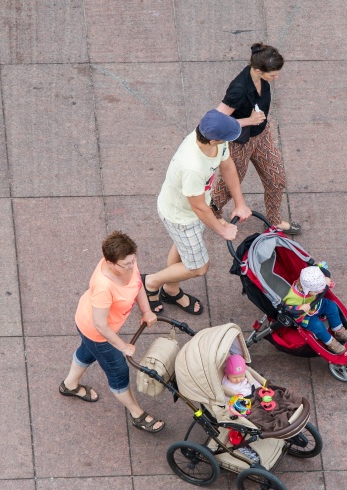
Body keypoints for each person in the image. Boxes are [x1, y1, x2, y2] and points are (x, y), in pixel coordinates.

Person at [142, 110, 252, 315]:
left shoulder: (215, 142)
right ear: (213, 139)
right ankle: (150, 282)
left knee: (182, 245)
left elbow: (227, 166)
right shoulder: (192, 166)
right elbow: (199, 207)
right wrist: (221, 229)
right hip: (181, 216)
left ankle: (170, 289)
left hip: (191, 211)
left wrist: (240, 203)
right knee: (199, 267)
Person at [59, 231, 164, 433]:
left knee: (87, 352)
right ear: (110, 262)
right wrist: (123, 346)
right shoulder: (103, 286)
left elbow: (137, 283)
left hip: (91, 325)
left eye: (134, 261)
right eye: (127, 264)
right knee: (118, 372)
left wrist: (146, 310)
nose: (132, 267)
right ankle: (137, 414)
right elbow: (100, 325)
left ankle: (69, 385)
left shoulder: (126, 260)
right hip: (96, 333)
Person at [210, 42, 301, 235]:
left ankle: (274, 221)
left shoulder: (261, 79)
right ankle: (212, 210)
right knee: (229, 184)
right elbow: (217, 120)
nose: (276, 77)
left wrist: (257, 123)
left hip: (261, 135)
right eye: (273, 74)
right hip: (238, 143)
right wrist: (248, 120)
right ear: (258, 70)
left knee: (276, 179)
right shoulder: (238, 89)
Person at [283, 266, 347, 354]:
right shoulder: (294, 296)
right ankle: (330, 342)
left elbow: (320, 285)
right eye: (317, 291)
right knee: (317, 325)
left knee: (331, 306)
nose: (321, 292)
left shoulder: (314, 283)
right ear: (307, 290)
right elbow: (288, 309)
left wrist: (327, 282)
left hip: (316, 305)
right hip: (304, 316)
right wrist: (299, 308)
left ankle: (338, 330)